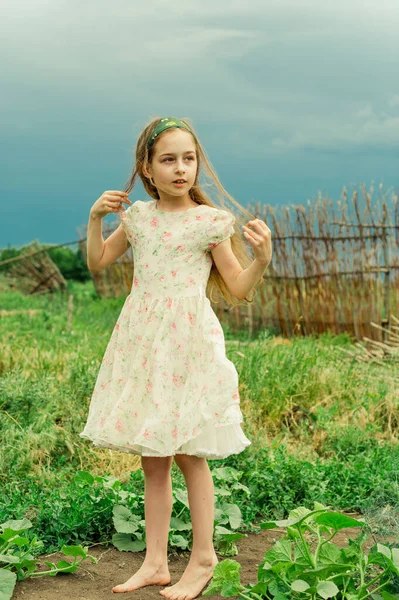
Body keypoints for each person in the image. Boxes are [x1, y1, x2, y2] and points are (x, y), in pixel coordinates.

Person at [79, 116, 272, 599]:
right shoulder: (139, 218)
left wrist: (262, 261)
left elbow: (237, 286)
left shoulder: (210, 222)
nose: (180, 169)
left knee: (189, 452)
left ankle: (204, 558)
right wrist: (94, 218)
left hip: (188, 344)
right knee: (154, 457)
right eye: (168, 159)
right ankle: (156, 562)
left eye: (189, 159)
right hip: (143, 344)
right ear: (147, 167)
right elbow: (99, 261)